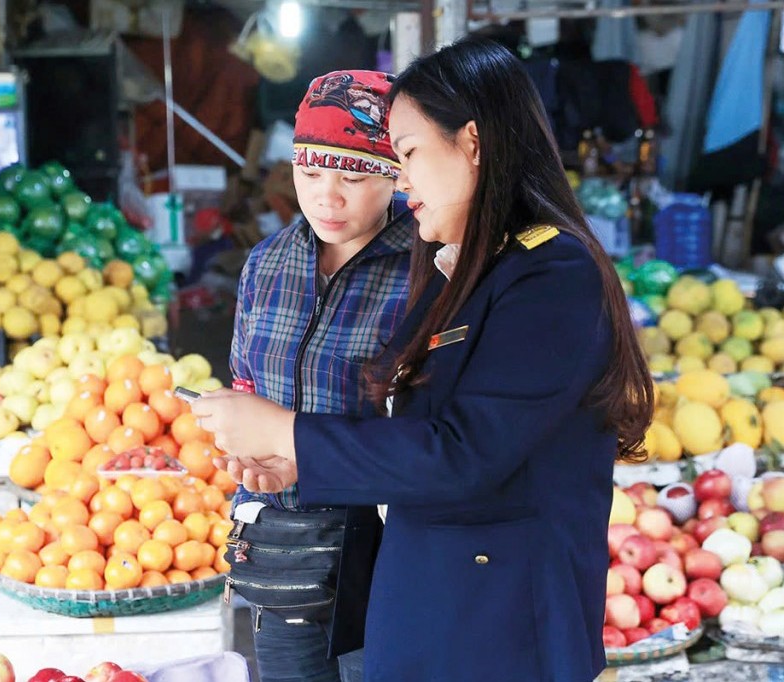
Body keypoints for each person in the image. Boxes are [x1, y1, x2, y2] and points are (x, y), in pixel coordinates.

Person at [192, 37, 653, 681]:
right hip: (426, 606)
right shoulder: (460, 264)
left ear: (472, 143)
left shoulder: (551, 273)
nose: (401, 179)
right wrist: (296, 461)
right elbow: (415, 431)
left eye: (406, 154)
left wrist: (286, 431)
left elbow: (461, 453)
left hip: (497, 629)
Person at [227, 70, 415, 682]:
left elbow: (432, 432)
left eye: (353, 178)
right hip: (283, 550)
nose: (327, 198)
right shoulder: (267, 264)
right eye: (310, 173)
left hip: (382, 556)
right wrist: (242, 450)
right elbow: (246, 383)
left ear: (395, 174)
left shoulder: (428, 269)